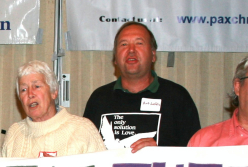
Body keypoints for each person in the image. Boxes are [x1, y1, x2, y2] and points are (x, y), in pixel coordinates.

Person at [83, 22, 200, 152]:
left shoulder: (177, 97)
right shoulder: (99, 99)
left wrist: (161, 152)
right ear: (115, 58)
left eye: (139, 43)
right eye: (124, 44)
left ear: (153, 54)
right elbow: (84, 151)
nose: (131, 50)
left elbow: (193, 153)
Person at [1, 60, 106, 159]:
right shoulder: (14, 134)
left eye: (36, 86)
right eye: (23, 90)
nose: (30, 94)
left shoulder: (82, 129)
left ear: (54, 92)